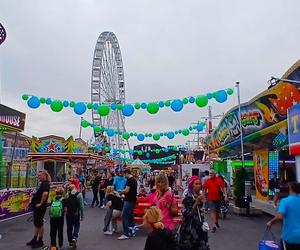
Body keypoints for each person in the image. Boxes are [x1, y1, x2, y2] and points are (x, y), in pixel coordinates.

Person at [179, 176, 210, 250]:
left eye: (199, 184)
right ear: (191, 185)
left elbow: (200, 211)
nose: (198, 185)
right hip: (189, 229)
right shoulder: (187, 199)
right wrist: (196, 202)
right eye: (196, 184)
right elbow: (187, 214)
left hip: (199, 227)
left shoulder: (199, 196)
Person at [267, 182, 300, 250]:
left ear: (290, 189)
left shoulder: (285, 201)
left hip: (289, 237)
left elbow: (280, 216)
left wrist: (271, 222)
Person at [27, 169, 51, 249]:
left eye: (40, 175)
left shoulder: (45, 184)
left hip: (40, 208)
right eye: (38, 175)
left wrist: (40, 203)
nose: (38, 176)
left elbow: (45, 193)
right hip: (37, 207)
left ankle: (40, 241)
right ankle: (35, 239)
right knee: (37, 224)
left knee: (39, 224)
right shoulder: (43, 183)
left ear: (45, 175)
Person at [118, 169, 137, 240]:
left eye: (124, 174)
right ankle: (132, 230)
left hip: (129, 200)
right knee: (130, 216)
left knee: (124, 216)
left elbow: (126, 190)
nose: (124, 176)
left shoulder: (130, 180)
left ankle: (125, 233)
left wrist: (121, 191)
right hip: (132, 200)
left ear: (126, 173)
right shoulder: (134, 180)